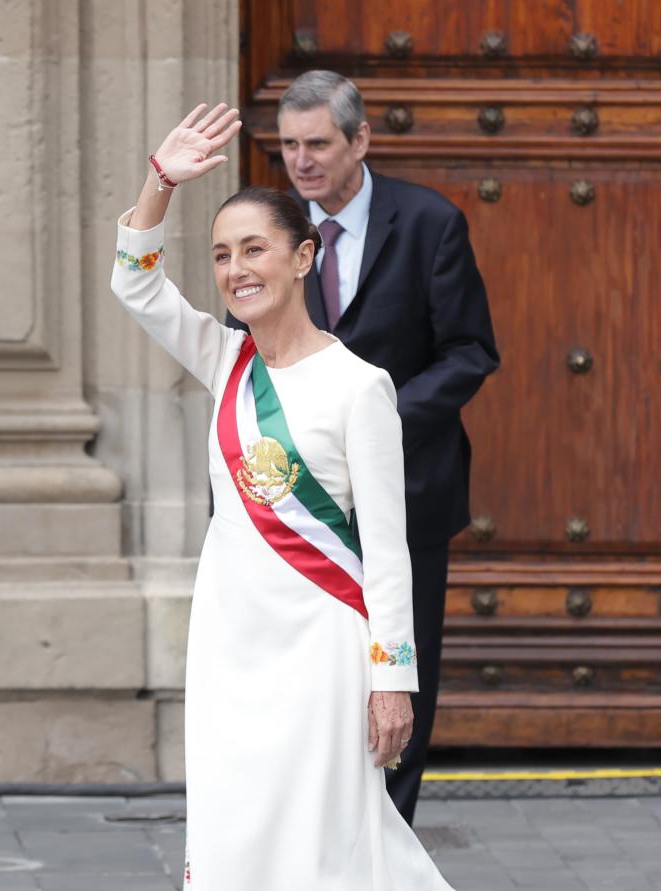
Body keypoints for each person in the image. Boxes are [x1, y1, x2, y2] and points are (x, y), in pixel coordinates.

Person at [111, 101, 454, 890]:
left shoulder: (360, 386)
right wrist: (159, 182)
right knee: (236, 825)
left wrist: (391, 675)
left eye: (255, 249)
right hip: (231, 642)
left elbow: (389, 547)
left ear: (303, 258)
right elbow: (135, 285)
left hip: (323, 649)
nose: (237, 270)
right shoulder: (226, 361)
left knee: (328, 837)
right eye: (223, 254)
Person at [228, 70, 500, 824]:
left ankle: (389, 843)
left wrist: (370, 422)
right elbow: (239, 352)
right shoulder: (270, 227)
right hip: (292, 505)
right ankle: (310, 838)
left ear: (360, 141)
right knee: (307, 682)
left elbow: (470, 352)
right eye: (289, 145)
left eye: (318, 143)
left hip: (406, 496)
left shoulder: (429, 223)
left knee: (398, 683)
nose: (302, 161)